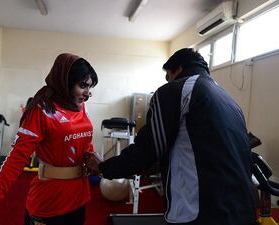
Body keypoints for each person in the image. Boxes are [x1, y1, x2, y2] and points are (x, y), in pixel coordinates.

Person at [87, 48, 256, 225]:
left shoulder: (177, 89)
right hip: (243, 210)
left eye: (168, 76)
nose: (168, 81)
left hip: (202, 212)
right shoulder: (229, 99)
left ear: (178, 69)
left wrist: (105, 168)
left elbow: (147, 150)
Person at [0, 53, 98, 225]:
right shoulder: (42, 110)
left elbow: (84, 141)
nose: (87, 94)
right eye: (83, 86)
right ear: (66, 81)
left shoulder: (79, 106)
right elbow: (15, 160)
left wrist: (92, 156)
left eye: (90, 87)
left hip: (79, 198)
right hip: (49, 201)